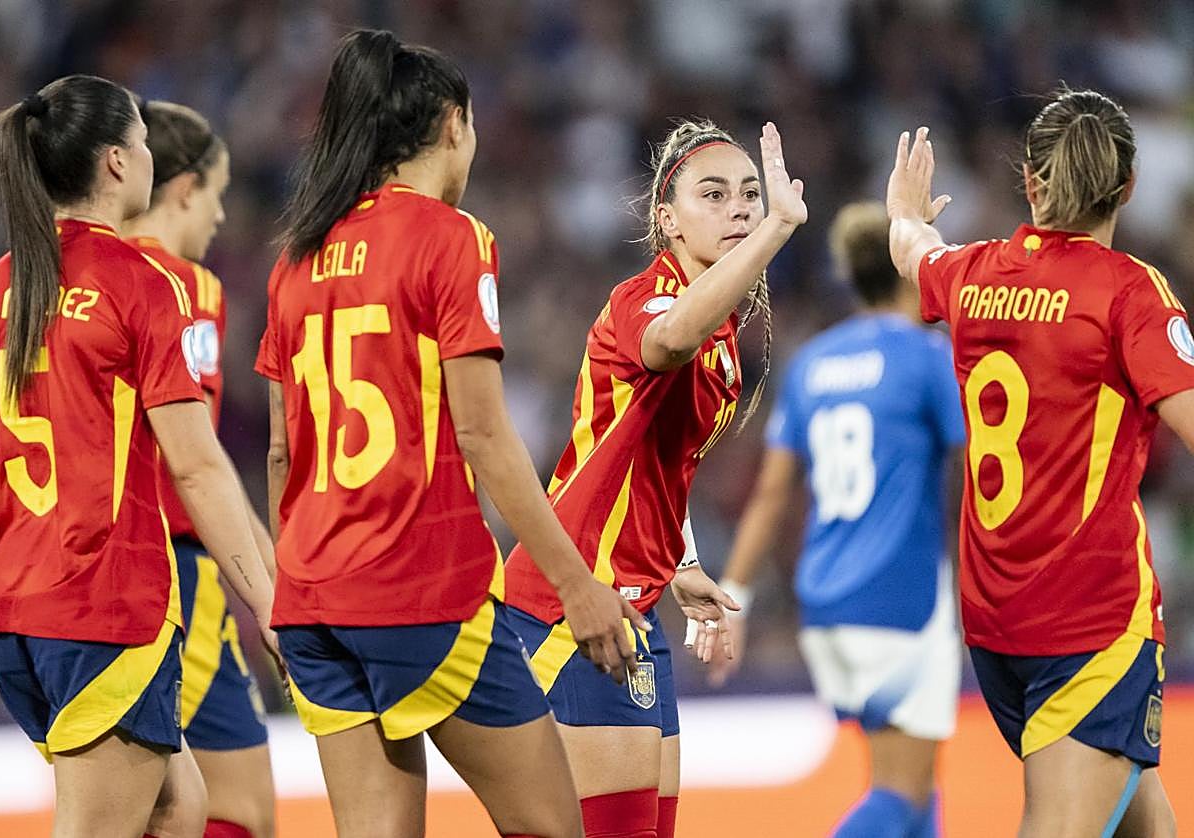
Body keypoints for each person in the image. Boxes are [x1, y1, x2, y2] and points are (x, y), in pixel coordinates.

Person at [256, 29, 645, 838]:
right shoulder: (449, 237)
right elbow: (483, 433)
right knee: (550, 828)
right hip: (417, 587)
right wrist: (576, 585)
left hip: (311, 598)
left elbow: (282, 451)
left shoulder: (296, 259)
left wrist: (290, 592)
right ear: (452, 125)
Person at [887, 89, 1193, 837]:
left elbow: (914, 251)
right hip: (1091, 623)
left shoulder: (973, 274)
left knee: (1141, 824)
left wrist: (904, 211)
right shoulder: (1130, 293)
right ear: (1128, 186)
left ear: (1030, 180)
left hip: (995, 626)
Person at [503, 118, 808, 838]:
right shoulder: (645, 300)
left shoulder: (722, 330)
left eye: (750, 195)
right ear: (667, 220)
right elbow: (667, 341)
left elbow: (663, 459)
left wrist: (682, 560)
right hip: (574, 600)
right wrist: (775, 230)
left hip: (634, 602)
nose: (739, 209)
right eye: (714, 194)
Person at [0, 75, 277, 838]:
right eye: (144, 143)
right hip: (102, 603)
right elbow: (195, 464)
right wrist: (267, 601)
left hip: (18, 605)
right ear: (117, 161)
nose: (151, 157)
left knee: (179, 807)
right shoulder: (142, 282)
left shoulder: (5, 283)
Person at [708, 201, 964, 838]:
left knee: (912, 784)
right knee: (901, 792)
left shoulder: (813, 364)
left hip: (824, 600)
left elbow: (771, 494)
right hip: (900, 595)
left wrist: (734, 595)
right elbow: (977, 468)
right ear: (908, 267)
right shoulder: (927, 357)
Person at [123, 99, 276, 838]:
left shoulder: (57, 280)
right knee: (235, 807)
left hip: (80, 576)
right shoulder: (184, 287)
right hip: (174, 573)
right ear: (184, 188)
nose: (218, 216)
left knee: (145, 804)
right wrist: (265, 584)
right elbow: (195, 458)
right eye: (215, 194)